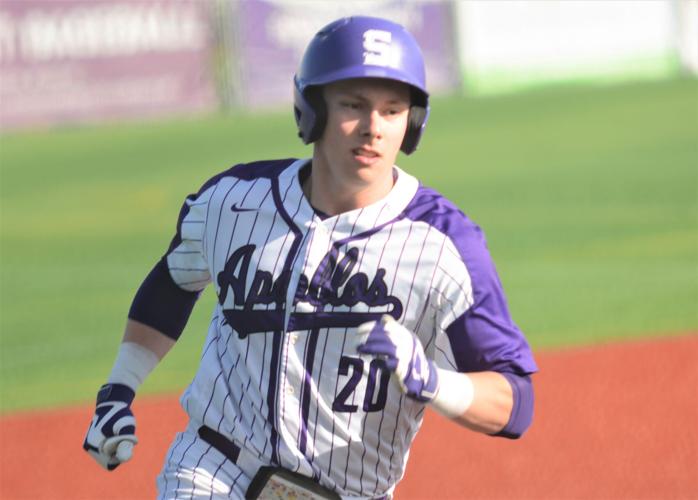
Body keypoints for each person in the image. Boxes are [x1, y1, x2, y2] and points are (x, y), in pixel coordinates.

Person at [83, 15, 538, 499]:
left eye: (392, 110)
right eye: (353, 105)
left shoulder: (445, 244)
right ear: (312, 109)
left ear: (413, 123)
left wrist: (434, 382)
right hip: (213, 469)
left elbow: (516, 403)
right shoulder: (232, 200)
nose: (373, 129)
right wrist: (119, 387)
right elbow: (174, 282)